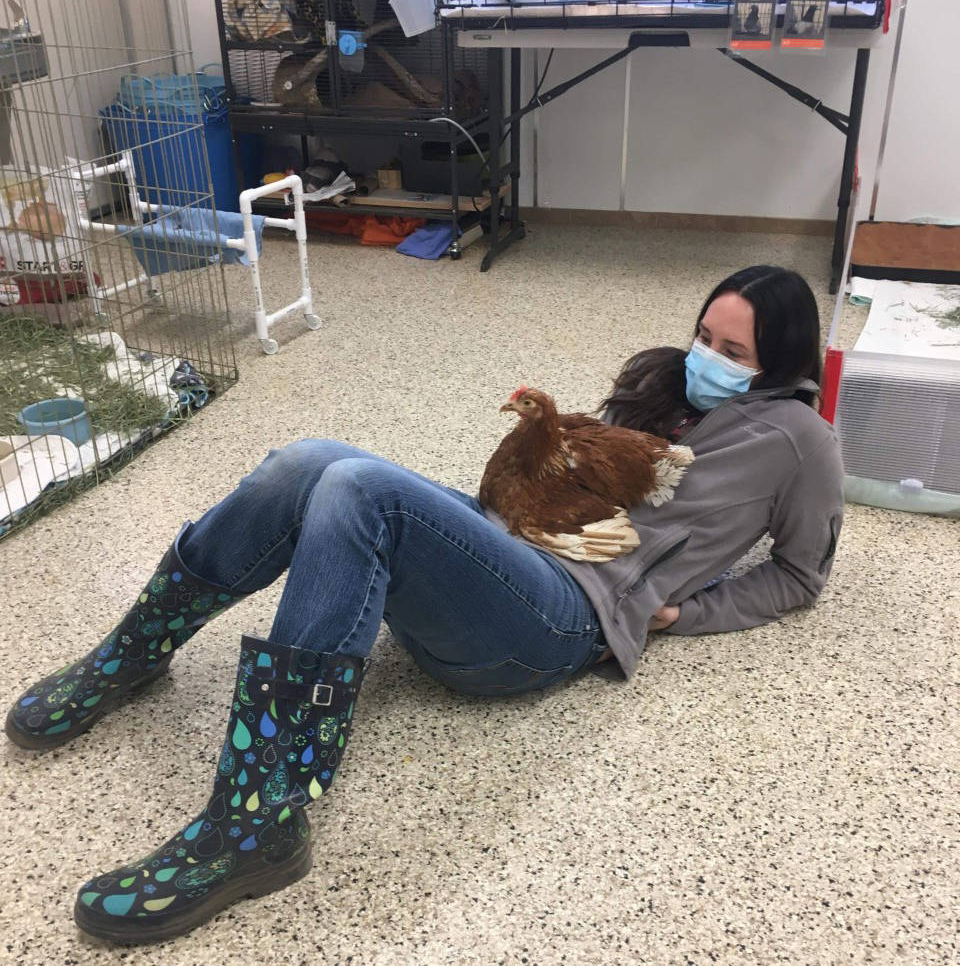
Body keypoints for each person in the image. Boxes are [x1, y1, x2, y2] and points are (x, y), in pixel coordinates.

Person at [5, 265, 844, 944]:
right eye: (705, 334)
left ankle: (258, 819)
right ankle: (136, 651)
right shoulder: (665, 387)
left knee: (363, 489)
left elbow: (800, 576)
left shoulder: (802, 444)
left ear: (779, 361)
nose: (707, 355)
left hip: (559, 618)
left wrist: (680, 614)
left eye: (734, 349)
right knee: (310, 461)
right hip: (509, 545)